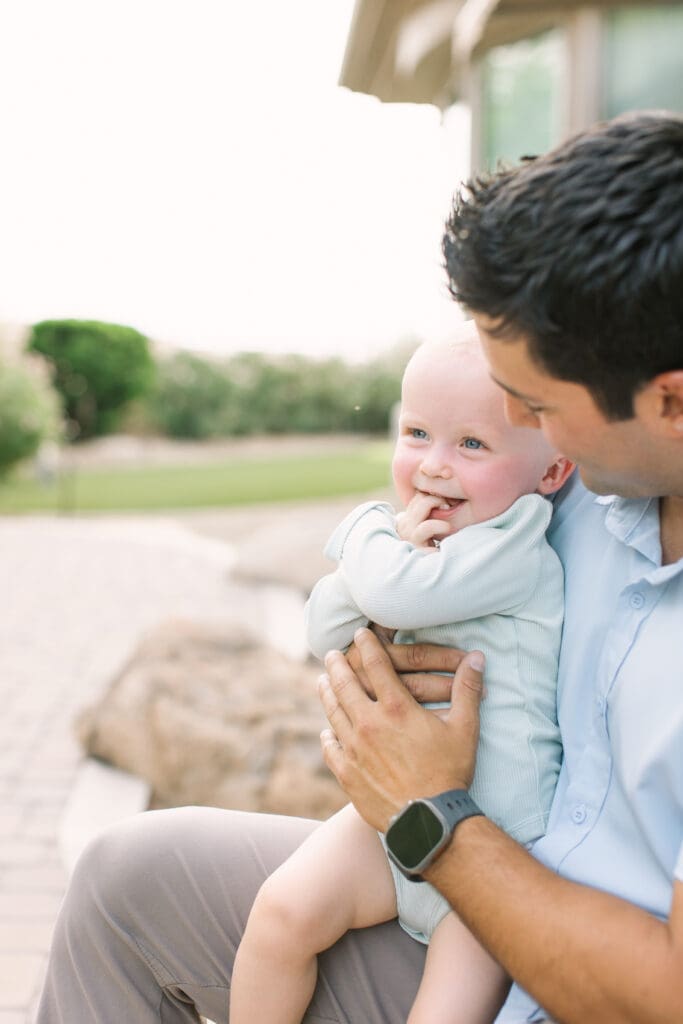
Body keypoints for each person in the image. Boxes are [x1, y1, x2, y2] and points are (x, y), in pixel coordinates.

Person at [36, 110, 683, 1024]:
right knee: (129, 879)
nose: (515, 426)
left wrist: (432, 811)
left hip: (572, 977)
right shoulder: (586, 488)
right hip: (463, 885)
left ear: (669, 402)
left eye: (533, 404)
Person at [229, 329, 572, 1024]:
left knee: (440, 1015)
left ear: (550, 473)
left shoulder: (516, 548)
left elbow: (392, 600)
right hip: (392, 821)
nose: (432, 468)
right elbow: (327, 634)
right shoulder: (418, 548)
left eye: (471, 444)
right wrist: (383, 557)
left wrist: (366, 530)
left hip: (494, 857)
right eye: (416, 433)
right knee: (279, 915)